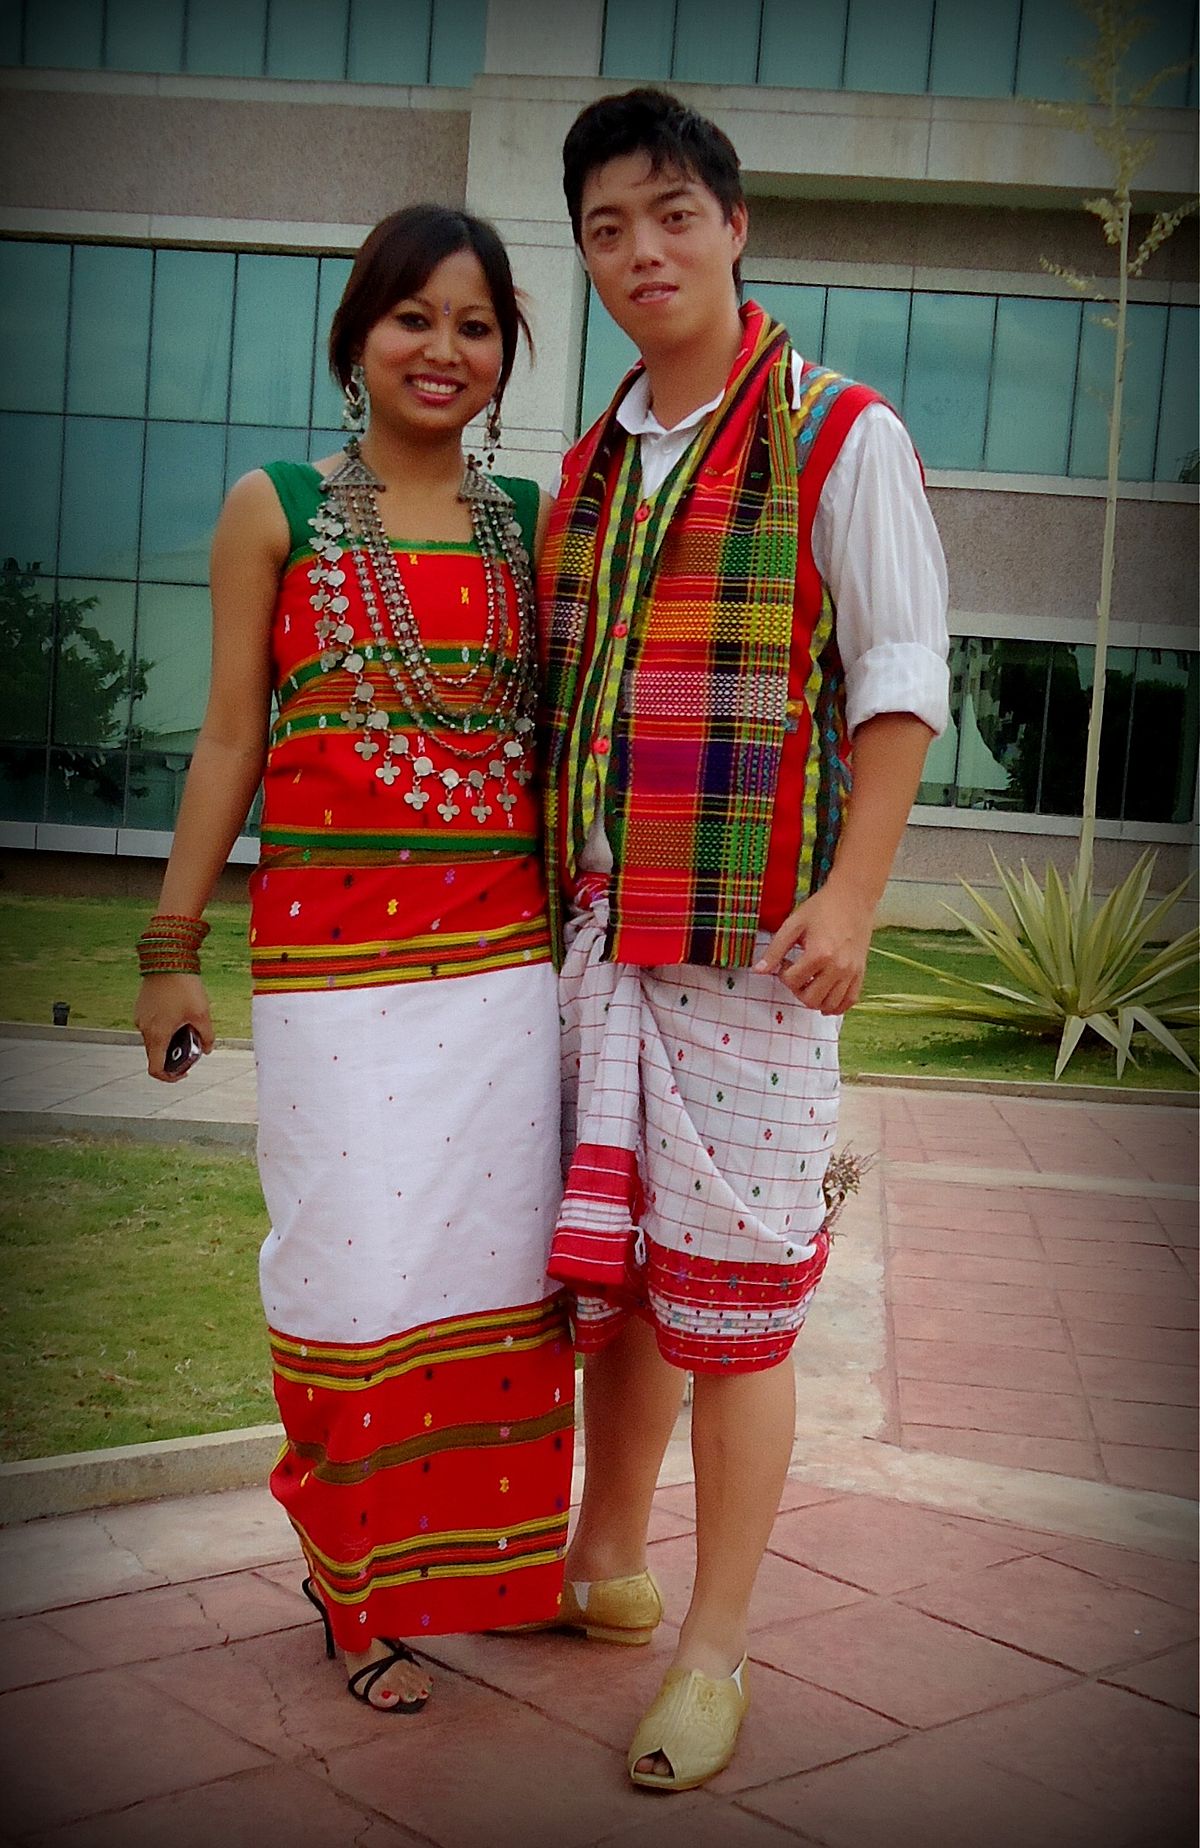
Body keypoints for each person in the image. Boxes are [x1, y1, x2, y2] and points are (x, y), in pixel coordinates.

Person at [536, 90, 949, 1789]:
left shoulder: (840, 431)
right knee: (621, 1285)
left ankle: (718, 1652)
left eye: (674, 214)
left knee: (735, 1308)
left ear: (735, 224)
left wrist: (852, 898)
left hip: (754, 964)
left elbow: (903, 680)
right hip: (595, 943)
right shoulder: (588, 453)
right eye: (608, 227)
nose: (644, 251)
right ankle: (602, 1561)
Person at [134, 204, 574, 1714]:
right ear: (356, 336)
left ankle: (479, 1573)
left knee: (491, 1278)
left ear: (505, 351)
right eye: (412, 317)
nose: (441, 349)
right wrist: (168, 949)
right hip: (335, 981)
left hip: (505, 979)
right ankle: (353, 1587)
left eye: (474, 323)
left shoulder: (537, 517)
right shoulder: (274, 509)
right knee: (350, 1267)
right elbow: (231, 738)